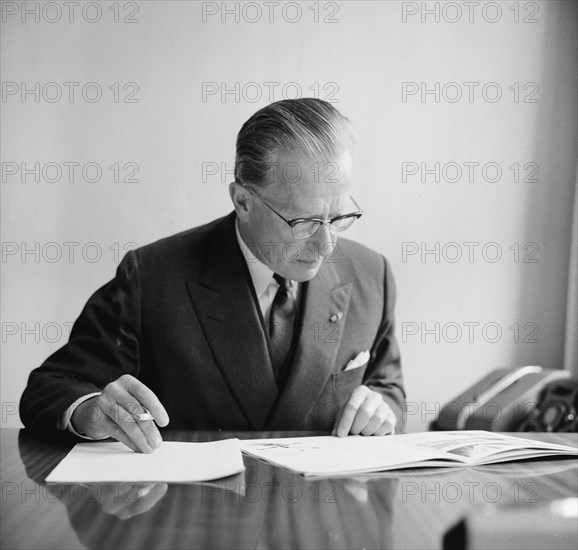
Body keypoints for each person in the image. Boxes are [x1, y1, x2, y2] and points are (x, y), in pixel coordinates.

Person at [20, 98, 405, 453]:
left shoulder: (373, 276)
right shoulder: (152, 277)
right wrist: (91, 411)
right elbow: (49, 389)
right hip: (188, 515)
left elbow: (389, 389)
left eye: (339, 217)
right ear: (243, 201)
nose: (326, 246)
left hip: (321, 515)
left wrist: (382, 407)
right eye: (303, 222)